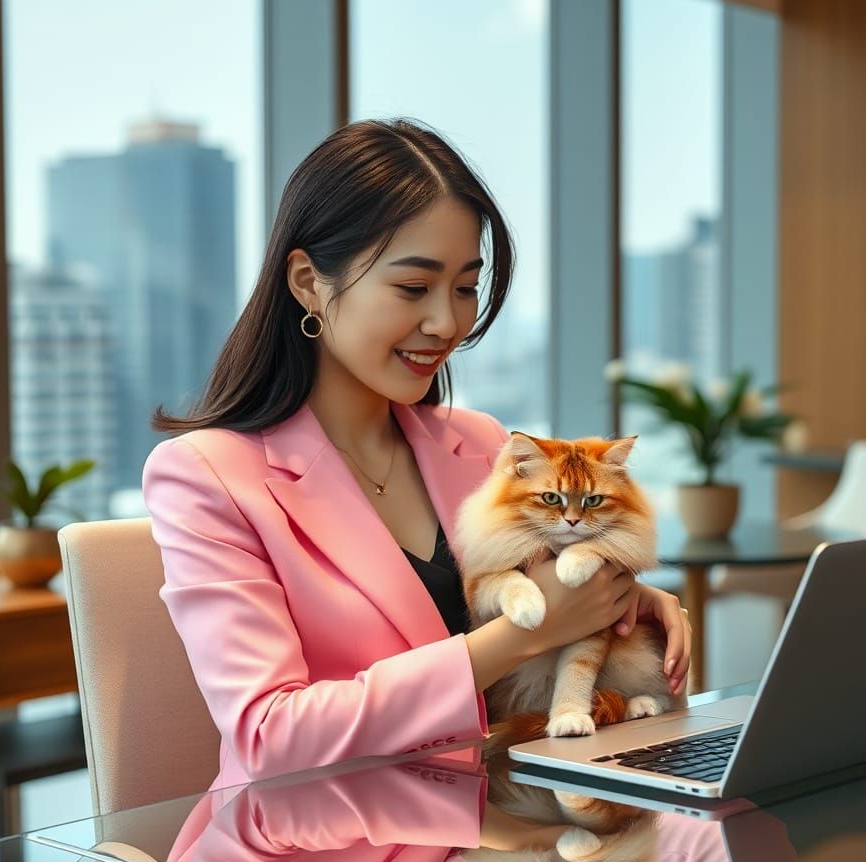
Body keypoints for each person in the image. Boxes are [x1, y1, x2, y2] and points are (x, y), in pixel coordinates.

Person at [144, 116, 691, 795]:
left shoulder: (484, 446)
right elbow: (270, 737)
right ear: (309, 282)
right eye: (413, 288)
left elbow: (551, 602)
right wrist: (514, 640)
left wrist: (620, 601)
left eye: (465, 287)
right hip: (333, 843)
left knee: (728, 842)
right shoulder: (207, 477)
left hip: (507, 806)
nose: (448, 323)